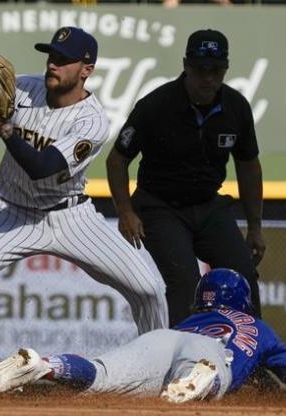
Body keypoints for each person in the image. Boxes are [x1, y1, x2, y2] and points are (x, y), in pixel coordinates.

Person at [0, 27, 169, 398]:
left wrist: (7, 128)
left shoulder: (92, 121)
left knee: (150, 288)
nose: (53, 63)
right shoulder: (24, 88)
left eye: (64, 59)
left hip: (71, 218)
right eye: (51, 55)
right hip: (12, 212)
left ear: (87, 69)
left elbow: (42, 166)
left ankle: (158, 375)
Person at [106, 29, 265, 327]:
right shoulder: (155, 105)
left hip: (208, 205)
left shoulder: (236, 107)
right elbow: (117, 160)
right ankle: (183, 361)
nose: (208, 78)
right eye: (201, 69)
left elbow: (249, 166)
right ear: (186, 66)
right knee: (184, 282)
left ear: (225, 69)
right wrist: (126, 212)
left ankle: (253, 359)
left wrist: (255, 226)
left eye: (216, 70)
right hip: (160, 207)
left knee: (243, 273)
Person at [0, 268, 286, 403]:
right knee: (212, 376)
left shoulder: (191, 319)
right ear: (243, 301)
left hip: (162, 338)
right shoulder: (259, 329)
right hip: (210, 351)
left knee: (100, 374)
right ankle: (201, 377)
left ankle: (45, 365)